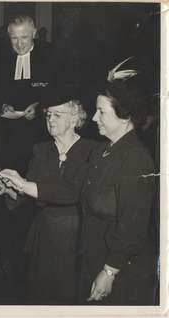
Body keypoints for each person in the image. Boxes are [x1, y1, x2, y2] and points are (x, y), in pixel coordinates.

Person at [0, 92, 96, 304]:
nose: (50, 119)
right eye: (48, 114)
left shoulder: (92, 150)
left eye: (57, 115)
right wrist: (9, 190)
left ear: (75, 118)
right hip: (43, 238)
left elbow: (72, 192)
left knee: (70, 300)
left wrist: (23, 184)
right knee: (39, 298)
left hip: (76, 237)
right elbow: (25, 196)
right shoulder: (41, 149)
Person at [79, 58, 158, 305]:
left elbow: (132, 228)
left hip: (120, 274)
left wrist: (109, 271)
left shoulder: (136, 159)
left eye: (101, 111)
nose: (93, 118)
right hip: (93, 259)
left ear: (125, 117)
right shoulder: (103, 150)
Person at [0, 15, 54, 175]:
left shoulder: (50, 55)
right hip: (9, 136)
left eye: (24, 37)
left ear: (34, 33)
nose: (19, 44)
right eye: (14, 38)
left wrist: (40, 107)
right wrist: (1, 105)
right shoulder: (0, 58)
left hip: (42, 133)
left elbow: (60, 91)